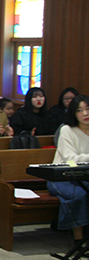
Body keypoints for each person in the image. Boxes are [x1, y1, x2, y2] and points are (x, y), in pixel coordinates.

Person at [47, 95, 89, 243]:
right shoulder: (67, 130)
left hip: (85, 177)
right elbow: (71, 160)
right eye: (79, 110)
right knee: (79, 195)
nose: (85, 113)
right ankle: (78, 241)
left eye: (87, 109)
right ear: (73, 113)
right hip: (61, 177)